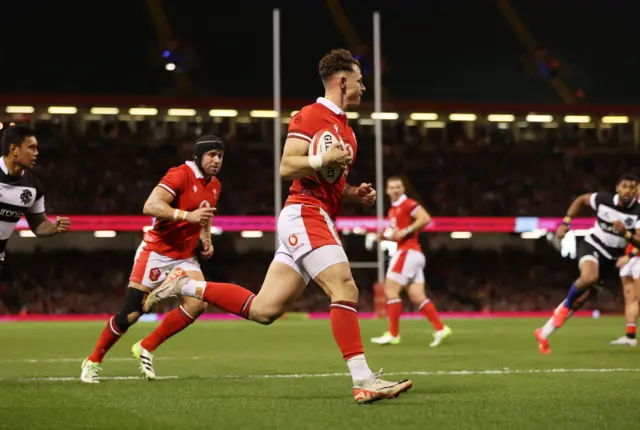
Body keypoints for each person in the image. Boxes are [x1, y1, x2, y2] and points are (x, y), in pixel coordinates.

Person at [144, 49, 413, 404]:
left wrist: (352, 192)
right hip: (304, 212)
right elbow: (288, 166)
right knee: (345, 287)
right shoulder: (311, 115)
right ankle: (363, 380)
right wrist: (322, 158)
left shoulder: (348, 131)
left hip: (313, 213)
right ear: (342, 81)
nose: (364, 88)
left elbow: (327, 180)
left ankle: (188, 285)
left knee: (264, 310)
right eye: (360, 81)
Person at [80, 136, 222, 383]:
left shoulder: (215, 185)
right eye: (211, 155)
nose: (217, 160)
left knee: (198, 304)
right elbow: (150, 205)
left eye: (220, 156)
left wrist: (206, 237)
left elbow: (205, 213)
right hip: (157, 252)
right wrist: (188, 216)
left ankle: (146, 345)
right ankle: (93, 360)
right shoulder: (179, 174)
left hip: (185, 257)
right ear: (199, 157)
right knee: (131, 314)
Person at [535, 173, 640, 354]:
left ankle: (543, 333)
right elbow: (581, 200)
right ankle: (565, 306)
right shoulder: (602, 199)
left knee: (581, 300)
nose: (628, 190)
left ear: (637, 191)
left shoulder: (638, 212)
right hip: (592, 245)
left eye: (632, 187)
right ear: (617, 188)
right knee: (589, 277)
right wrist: (566, 222)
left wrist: (626, 234)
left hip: (611, 258)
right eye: (624, 186)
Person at [370, 176, 451, 347]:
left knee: (390, 288)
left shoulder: (407, 204)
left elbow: (425, 218)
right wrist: (385, 236)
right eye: (392, 187)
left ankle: (393, 334)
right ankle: (440, 328)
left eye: (398, 187)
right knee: (417, 296)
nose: (395, 190)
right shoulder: (394, 210)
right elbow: (398, 235)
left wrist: (406, 229)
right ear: (387, 191)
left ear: (403, 189)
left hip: (408, 252)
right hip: (413, 254)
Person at [0, 126, 71, 288]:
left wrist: (53, 228)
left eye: (37, 148)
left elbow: (38, 224)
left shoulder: (33, 187)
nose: (36, 153)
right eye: (31, 148)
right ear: (14, 149)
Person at [611, 242, 640, 346]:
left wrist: (629, 256)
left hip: (635, 256)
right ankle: (630, 335)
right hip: (630, 256)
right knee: (630, 298)